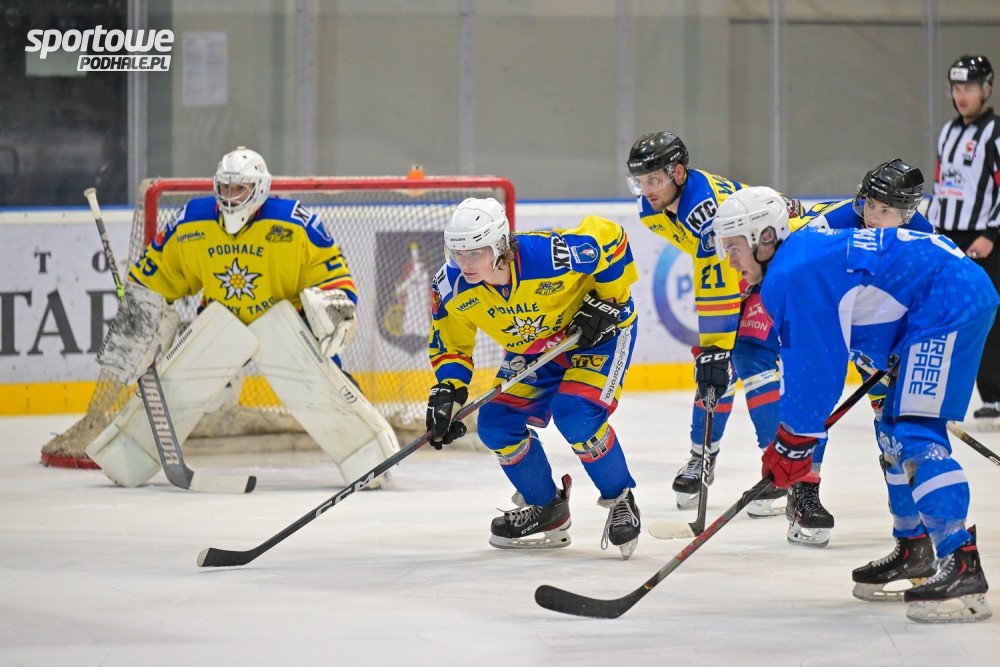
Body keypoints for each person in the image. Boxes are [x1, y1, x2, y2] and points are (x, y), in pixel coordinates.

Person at [714, 185, 996, 624]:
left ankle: (961, 565)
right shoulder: (797, 259)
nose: (729, 260)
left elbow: (817, 368)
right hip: (929, 305)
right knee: (892, 431)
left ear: (765, 238)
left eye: (734, 247)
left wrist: (794, 441)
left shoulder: (792, 272)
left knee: (915, 432)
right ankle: (914, 549)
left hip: (948, 303)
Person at [87, 146, 400, 489]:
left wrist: (335, 310)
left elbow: (332, 273)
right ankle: (126, 457)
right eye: (225, 187)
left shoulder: (293, 223)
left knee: (325, 393)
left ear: (260, 188)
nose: (231, 195)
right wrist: (139, 317)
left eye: (240, 188)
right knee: (176, 389)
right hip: (222, 326)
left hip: (286, 326)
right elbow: (157, 273)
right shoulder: (192, 222)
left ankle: (370, 459)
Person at [425, 197, 642, 559]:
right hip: (537, 350)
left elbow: (611, 238)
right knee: (496, 424)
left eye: (475, 253)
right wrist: (449, 389)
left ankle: (621, 498)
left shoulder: (547, 255)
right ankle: (546, 508)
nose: (465, 263)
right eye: (457, 253)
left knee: (576, 415)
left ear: (499, 246)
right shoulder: (450, 286)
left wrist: (610, 301)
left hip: (598, 337)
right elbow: (450, 343)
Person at [626, 131, 792, 517]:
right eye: (640, 181)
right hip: (746, 266)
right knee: (716, 365)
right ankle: (701, 457)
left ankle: (779, 470)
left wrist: (716, 344)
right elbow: (713, 261)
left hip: (774, 262)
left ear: (678, 172)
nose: (646, 190)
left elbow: (714, 268)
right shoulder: (653, 211)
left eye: (654, 179)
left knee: (749, 357)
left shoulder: (703, 209)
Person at [780, 158, 933, 548]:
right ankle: (802, 493)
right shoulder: (830, 227)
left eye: (885, 211)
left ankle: (905, 497)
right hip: (819, 309)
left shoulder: (921, 236)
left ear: (907, 214)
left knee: (892, 410)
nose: (873, 216)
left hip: (872, 316)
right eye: (870, 204)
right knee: (813, 401)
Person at [927, 54, 1000, 431]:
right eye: (956, 88)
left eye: (969, 87)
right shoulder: (947, 132)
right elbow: (942, 186)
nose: (961, 95)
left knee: (989, 316)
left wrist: (991, 234)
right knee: (946, 314)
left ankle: (994, 396)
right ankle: (939, 394)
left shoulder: (996, 134)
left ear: (986, 89)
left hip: (987, 238)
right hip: (950, 237)